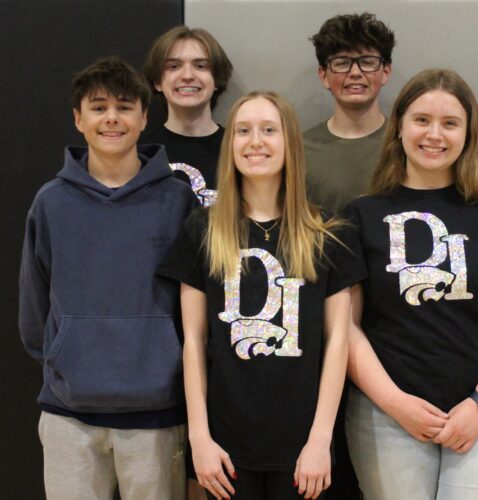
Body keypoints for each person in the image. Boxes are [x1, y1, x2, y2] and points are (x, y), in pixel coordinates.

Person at [157, 91, 365, 500]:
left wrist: (320, 440)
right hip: (225, 447)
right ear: (230, 144)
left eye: (269, 130)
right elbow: (194, 341)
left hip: (303, 448)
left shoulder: (328, 234)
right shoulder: (202, 230)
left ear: (290, 143)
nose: (255, 142)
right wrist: (199, 438)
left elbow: (338, 342)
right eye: (243, 131)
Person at [345, 69, 478, 499]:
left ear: (468, 134)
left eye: (450, 123)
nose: (435, 134)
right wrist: (394, 403)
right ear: (399, 126)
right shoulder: (361, 216)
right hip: (387, 416)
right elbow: (346, 328)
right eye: (422, 120)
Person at [18, 56, 198, 499]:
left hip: (157, 414)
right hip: (69, 415)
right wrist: (64, 359)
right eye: (98, 108)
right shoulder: (51, 202)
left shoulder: (178, 201)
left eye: (124, 106)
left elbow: (195, 306)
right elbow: (34, 306)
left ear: (144, 118)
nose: (112, 118)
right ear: (78, 119)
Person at [304, 12, 395, 214]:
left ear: (385, 72)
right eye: (342, 63)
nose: (355, 73)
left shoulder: (406, 143)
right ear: (324, 75)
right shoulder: (299, 151)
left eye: (368, 61)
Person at [143, 26, 234, 206]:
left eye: (200, 66)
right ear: (157, 81)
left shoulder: (239, 149)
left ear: (217, 79)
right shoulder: (140, 152)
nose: (187, 75)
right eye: (174, 66)